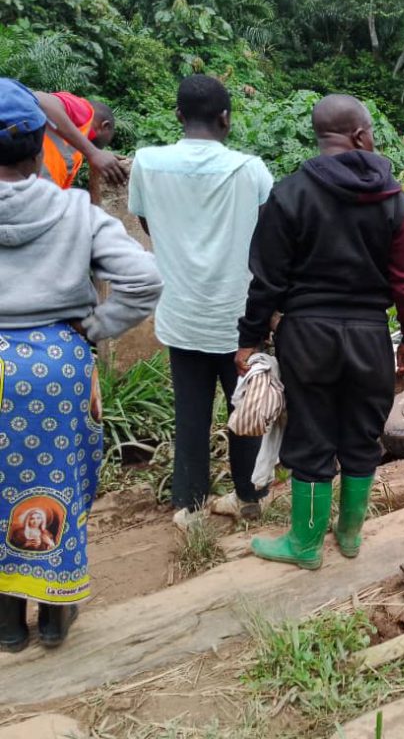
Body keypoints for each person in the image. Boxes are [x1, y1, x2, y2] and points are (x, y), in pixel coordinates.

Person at [0, 78, 161, 652]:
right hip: (59, 366)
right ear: (44, 139)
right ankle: (54, 618)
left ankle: (6, 623)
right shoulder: (74, 211)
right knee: (60, 481)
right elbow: (144, 279)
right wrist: (94, 327)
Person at [236, 94, 404, 570]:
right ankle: (349, 535)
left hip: (306, 335)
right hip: (368, 335)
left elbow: (267, 279)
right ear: (360, 135)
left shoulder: (290, 192)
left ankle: (304, 545)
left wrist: (250, 338)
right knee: (363, 433)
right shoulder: (393, 198)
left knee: (312, 434)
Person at [128, 75, 274, 530]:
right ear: (226, 118)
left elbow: (149, 225)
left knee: (189, 412)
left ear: (178, 116)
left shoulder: (147, 164)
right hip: (239, 316)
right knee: (246, 409)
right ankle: (249, 498)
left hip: (182, 312)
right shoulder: (250, 170)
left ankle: (189, 505)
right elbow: (267, 239)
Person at [32, 90, 126, 192]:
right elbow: (40, 99)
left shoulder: (76, 148)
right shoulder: (85, 111)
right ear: (104, 126)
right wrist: (93, 152)